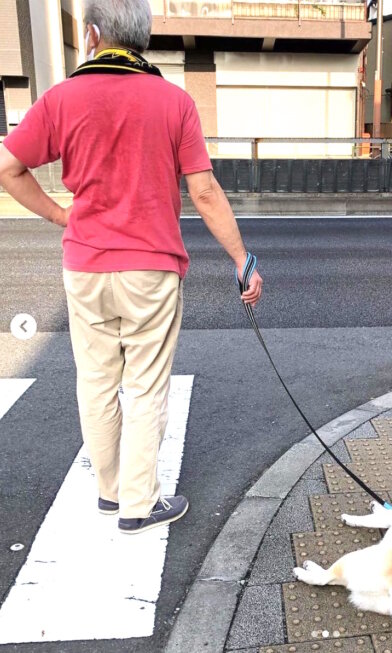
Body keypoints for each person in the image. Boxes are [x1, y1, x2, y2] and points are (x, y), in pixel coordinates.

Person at [0, 0, 262, 535]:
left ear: (93, 34)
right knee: (145, 386)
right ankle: (139, 505)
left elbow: (8, 165)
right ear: (142, 38)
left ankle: (109, 491)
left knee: (95, 381)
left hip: (86, 265)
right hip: (151, 268)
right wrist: (242, 261)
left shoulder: (60, 99)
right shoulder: (173, 102)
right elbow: (205, 191)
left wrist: (59, 214)